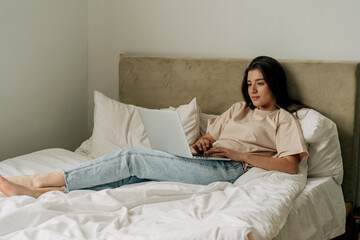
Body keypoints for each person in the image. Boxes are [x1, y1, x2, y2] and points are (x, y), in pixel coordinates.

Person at [0, 56, 308, 198]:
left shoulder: (283, 118)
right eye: (250, 83)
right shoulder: (237, 109)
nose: (253, 90)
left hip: (230, 169)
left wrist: (241, 157)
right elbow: (211, 135)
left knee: (133, 157)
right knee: (133, 173)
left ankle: (42, 179)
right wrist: (201, 143)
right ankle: (43, 192)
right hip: (208, 159)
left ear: (274, 85)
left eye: (261, 83)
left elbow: (290, 165)